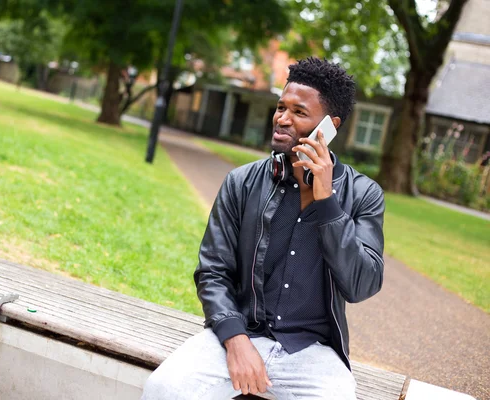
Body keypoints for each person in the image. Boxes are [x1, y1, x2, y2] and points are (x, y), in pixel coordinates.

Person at [141, 57, 385, 400]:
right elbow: (212, 272)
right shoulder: (241, 182)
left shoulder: (364, 195)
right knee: (163, 389)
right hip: (240, 334)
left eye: (299, 113)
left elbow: (362, 284)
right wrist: (236, 341)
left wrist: (327, 201)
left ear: (330, 126)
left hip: (311, 353)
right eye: (280, 107)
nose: (282, 119)